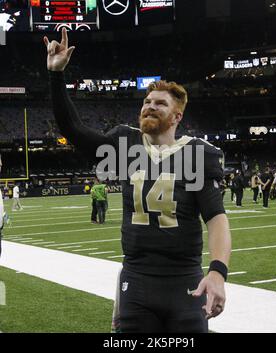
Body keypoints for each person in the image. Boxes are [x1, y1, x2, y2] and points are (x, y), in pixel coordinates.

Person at [44, 29, 231, 333]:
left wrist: (218, 273)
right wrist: (55, 75)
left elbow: (216, 219)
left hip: (185, 281)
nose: (150, 106)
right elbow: (74, 129)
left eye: (160, 103)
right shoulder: (123, 145)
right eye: (147, 101)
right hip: (137, 281)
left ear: (177, 116)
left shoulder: (198, 154)